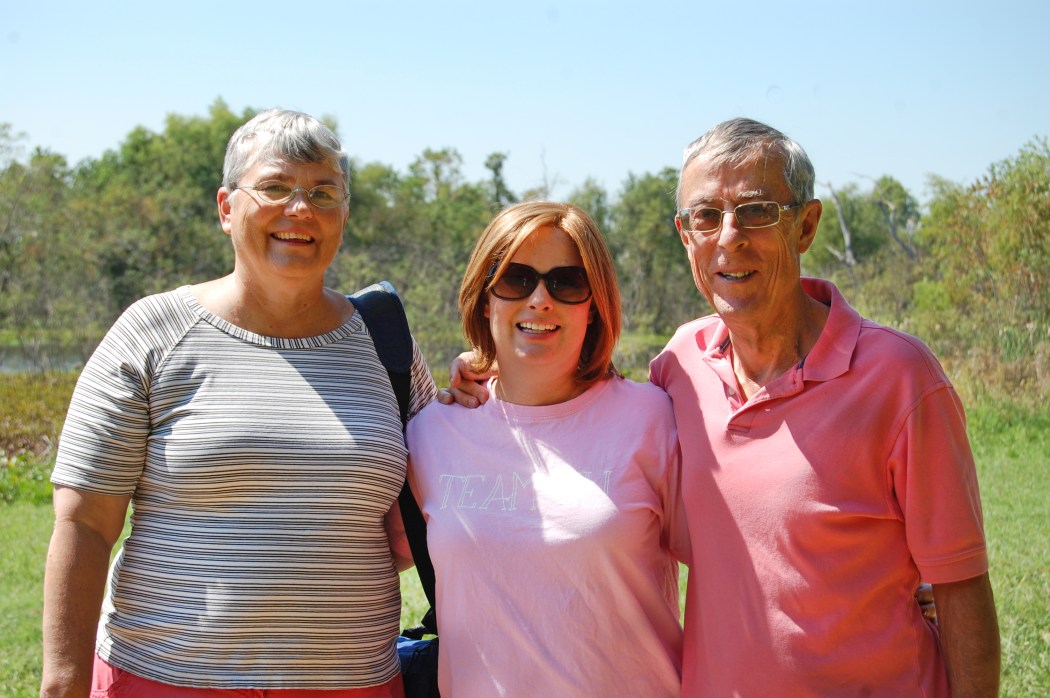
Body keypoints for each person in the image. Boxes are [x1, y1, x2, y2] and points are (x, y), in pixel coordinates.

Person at [40, 109, 435, 698]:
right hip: (163, 679)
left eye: (323, 193)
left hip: (351, 683)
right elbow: (85, 524)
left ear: (343, 217)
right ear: (227, 208)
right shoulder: (152, 332)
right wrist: (62, 683)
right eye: (275, 187)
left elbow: (430, 509)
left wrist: (482, 391)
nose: (300, 210)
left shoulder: (386, 342)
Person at [650, 117, 1000, 696]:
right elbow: (587, 424)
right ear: (686, 234)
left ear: (806, 226)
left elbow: (960, 588)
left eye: (758, 211)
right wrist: (487, 383)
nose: (728, 236)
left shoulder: (900, 377)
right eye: (706, 216)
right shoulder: (678, 366)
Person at [406, 201, 687, 697]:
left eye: (567, 282)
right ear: (485, 298)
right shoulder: (431, 433)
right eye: (516, 279)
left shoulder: (653, 418)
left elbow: (730, 576)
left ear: (595, 304)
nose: (540, 299)